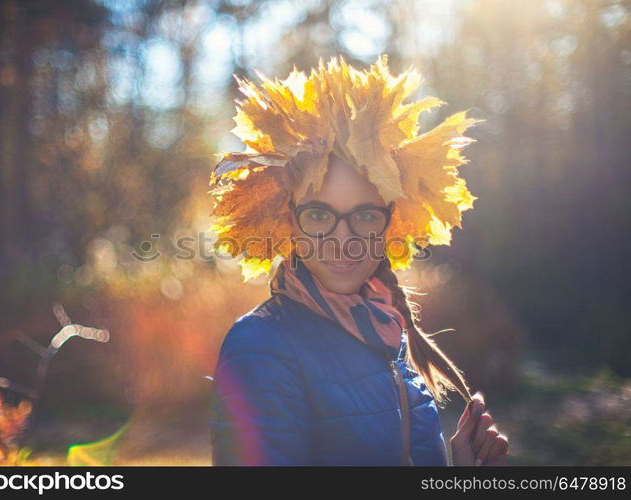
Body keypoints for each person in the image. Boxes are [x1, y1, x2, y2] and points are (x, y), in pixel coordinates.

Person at [207, 54, 509, 466]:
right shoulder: (260, 348)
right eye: (319, 215)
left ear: (390, 221)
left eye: (364, 215)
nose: (343, 240)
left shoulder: (386, 333)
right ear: (287, 221)